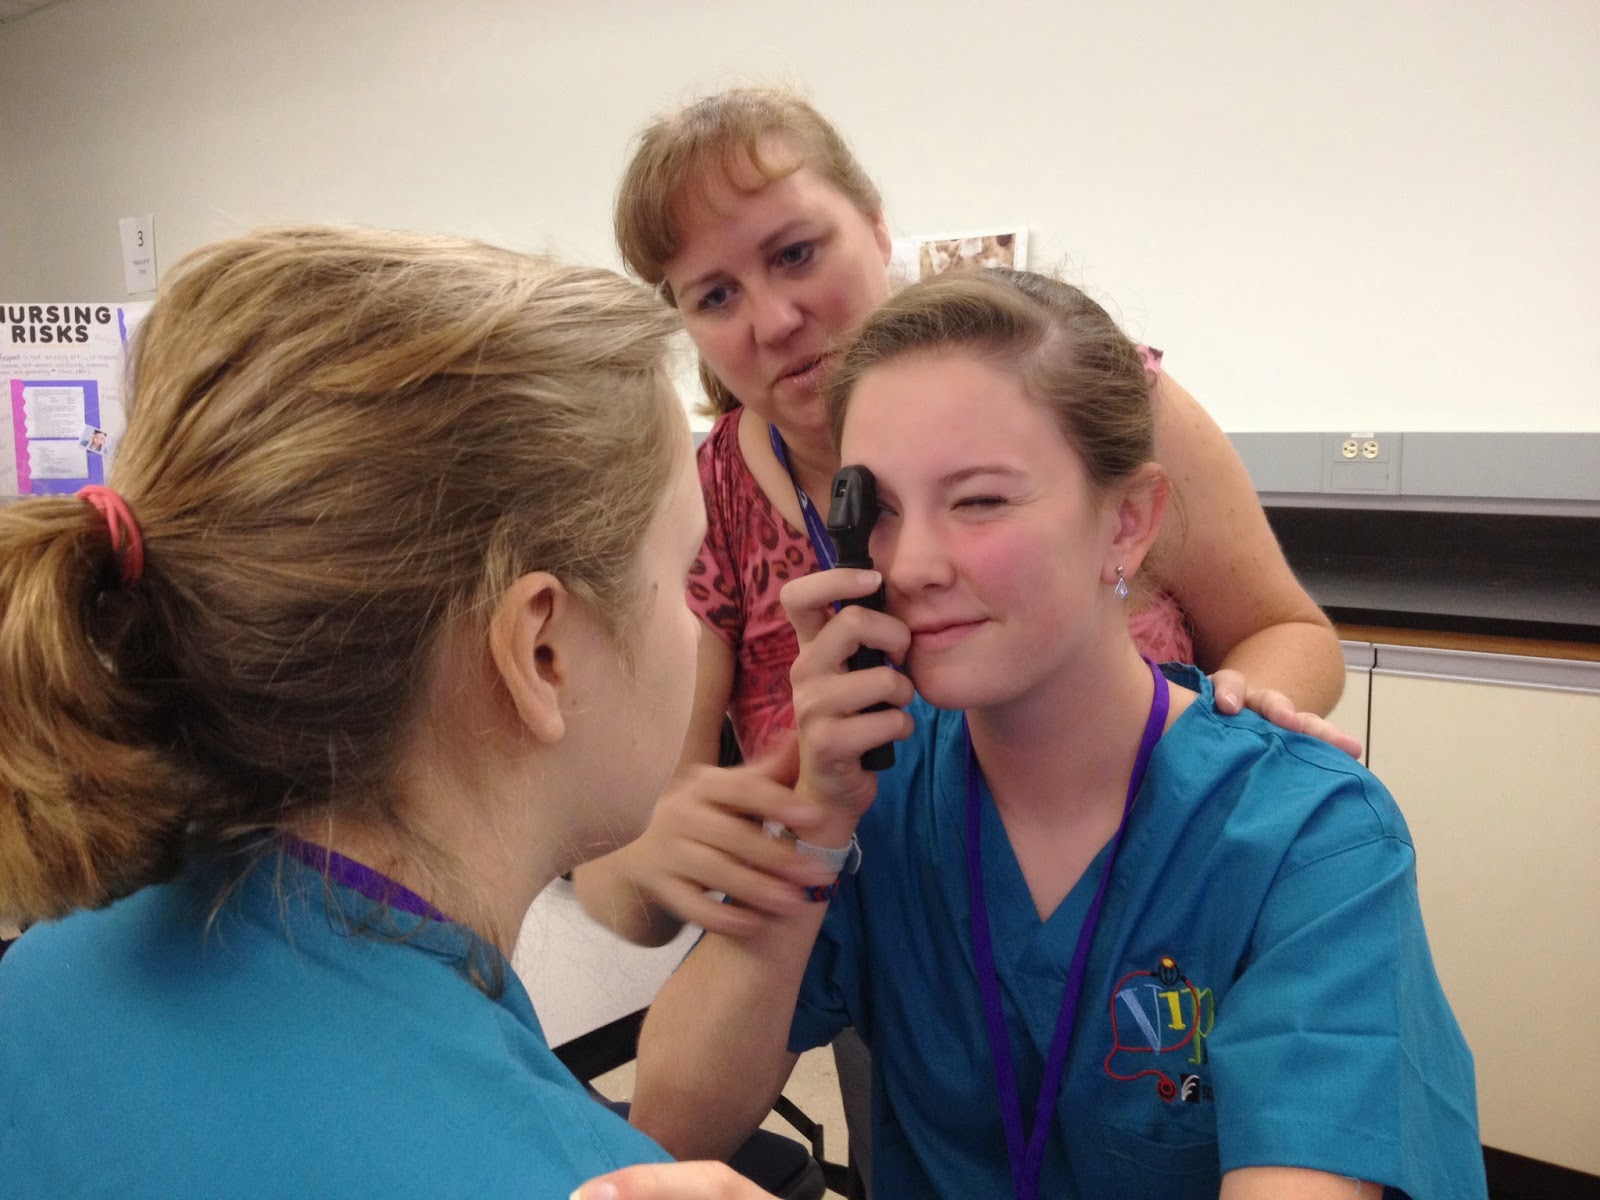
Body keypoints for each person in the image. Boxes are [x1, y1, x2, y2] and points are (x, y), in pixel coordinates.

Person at [627, 270, 1487, 1199]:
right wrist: (813, 825)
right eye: (882, 510)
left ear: (1127, 522)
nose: (910, 565)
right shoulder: (881, 800)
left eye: (979, 501)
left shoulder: (1310, 842)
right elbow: (669, 1126)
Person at [0, 225, 778, 1199]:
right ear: (541, 652)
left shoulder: (43, 975)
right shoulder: (566, 1178)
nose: (701, 625)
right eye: (687, 572)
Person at [574, 85, 1356, 951]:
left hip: (1159, 920)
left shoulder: (1087, 394)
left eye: (796, 254)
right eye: (715, 296)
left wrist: (1228, 737)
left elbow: (1286, 630)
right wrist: (656, 858)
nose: (774, 320)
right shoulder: (703, 507)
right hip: (885, 975)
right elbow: (623, 862)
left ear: (877, 227)